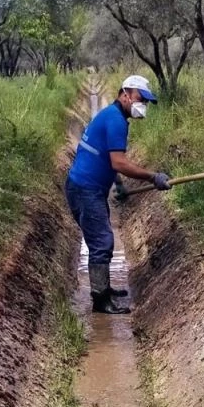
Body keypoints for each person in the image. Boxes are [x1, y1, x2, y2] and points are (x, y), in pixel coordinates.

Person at [66, 74, 171, 314]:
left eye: (145, 101)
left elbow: (104, 157)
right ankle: (100, 301)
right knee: (102, 242)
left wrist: (119, 184)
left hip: (87, 187)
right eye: (139, 98)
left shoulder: (111, 116)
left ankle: (103, 288)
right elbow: (119, 162)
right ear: (125, 94)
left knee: (101, 240)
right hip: (85, 190)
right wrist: (153, 177)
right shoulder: (116, 121)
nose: (142, 104)